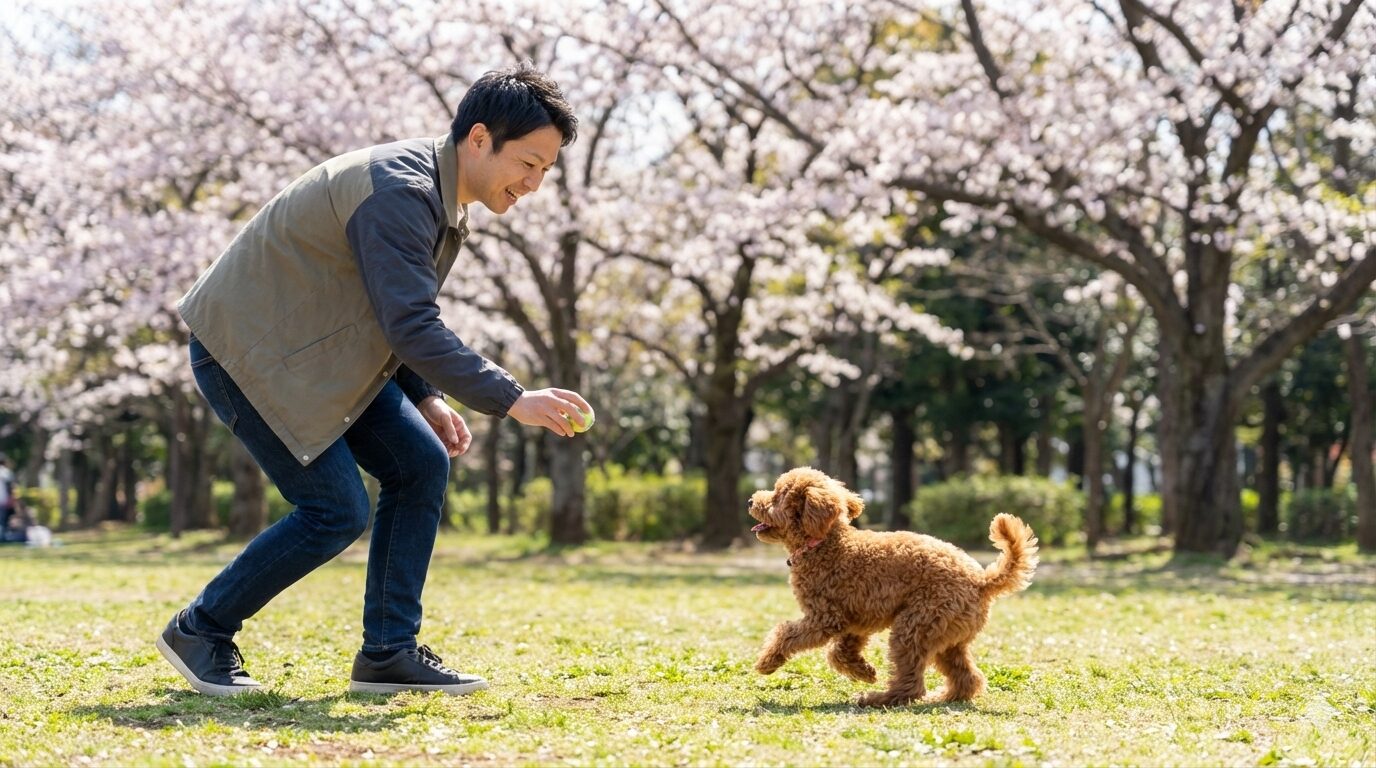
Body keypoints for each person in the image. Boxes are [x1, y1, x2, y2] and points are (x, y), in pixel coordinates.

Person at [157, 62, 593, 698]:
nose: (534, 183)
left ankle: (389, 651)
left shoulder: (439, 197)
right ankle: (201, 628)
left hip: (316, 354)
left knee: (419, 463)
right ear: (478, 139)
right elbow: (412, 322)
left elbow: (389, 310)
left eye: (546, 170)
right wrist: (513, 398)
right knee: (334, 509)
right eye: (528, 163)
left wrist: (425, 395)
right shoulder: (401, 191)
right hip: (246, 351)